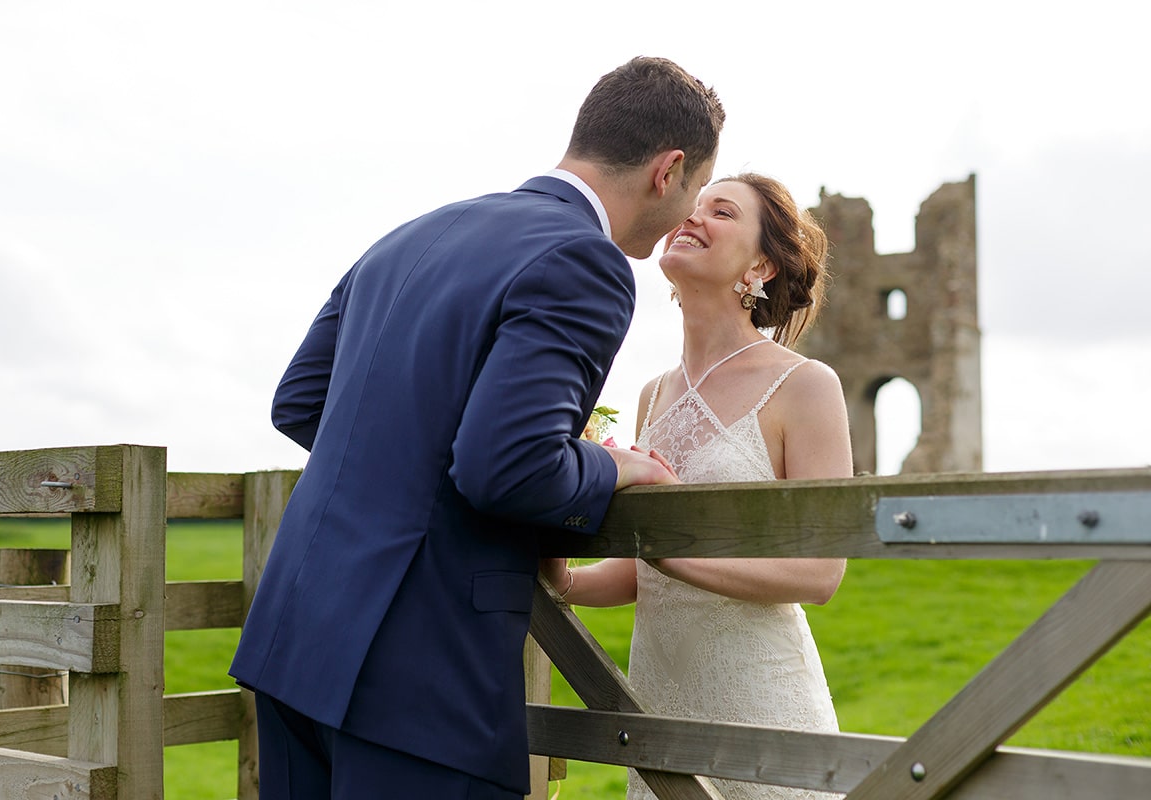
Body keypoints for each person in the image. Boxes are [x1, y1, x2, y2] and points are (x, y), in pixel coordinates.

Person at [229, 57, 724, 800]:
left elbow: (301, 403)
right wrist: (613, 468)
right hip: (421, 676)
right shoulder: (585, 260)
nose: (688, 211)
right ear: (669, 170)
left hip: (297, 636)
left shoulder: (411, 235)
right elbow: (508, 467)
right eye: (694, 189)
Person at [543, 172, 852, 800]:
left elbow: (821, 573)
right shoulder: (652, 394)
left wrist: (676, 558)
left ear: (761, 265)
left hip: (761, 697)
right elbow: (639, 574)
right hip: (658, 699)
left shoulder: (805, 385)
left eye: (723, 211)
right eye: (694, 205)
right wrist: (564, 578)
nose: (693, 215)